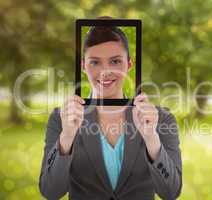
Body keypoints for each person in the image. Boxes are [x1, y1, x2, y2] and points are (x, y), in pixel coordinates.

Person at [39, 16, 182, 200]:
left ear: (129, 64)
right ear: (83, 65)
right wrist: (66, 138)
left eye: (115, 61)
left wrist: (152, 139)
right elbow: (50, 192)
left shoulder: (161, 119)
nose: (105, 71)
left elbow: (171, 193)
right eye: (95, 62)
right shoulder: (61, 118)